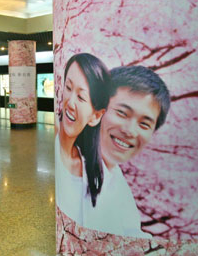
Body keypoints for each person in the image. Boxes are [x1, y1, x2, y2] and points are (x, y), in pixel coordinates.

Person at [82, 65, 170, 238]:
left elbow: (131, 231)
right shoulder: (74, 167)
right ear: (97, 108)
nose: (130, 131)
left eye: (144, 124)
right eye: (122, 113)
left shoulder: (115, 175)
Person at [56, 53, 110, 224]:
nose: (70, 103)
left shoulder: (99, 171)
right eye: (68, 88)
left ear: (96, 116)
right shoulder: (51, 149)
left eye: (81, 97)